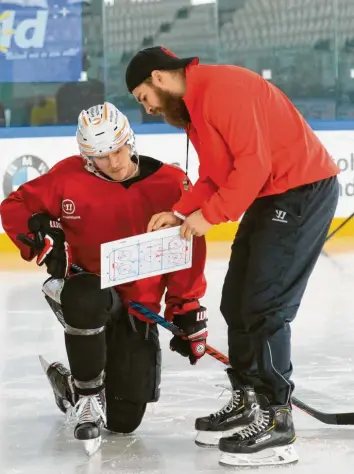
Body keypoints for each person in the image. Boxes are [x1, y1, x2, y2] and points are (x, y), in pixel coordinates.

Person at [124, 46, 340, 467]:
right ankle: (249, 400)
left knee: (265, 307)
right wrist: (182, 210)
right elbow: (216, 175)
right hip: (273, 194)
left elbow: (253, 167)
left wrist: (212, 215)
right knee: (236, 302)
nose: (147, 108)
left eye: (142, 97)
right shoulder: (194, 108)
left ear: (159, 77)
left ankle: (278, 420)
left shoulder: (221, 89)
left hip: (301, 191)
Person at [0, 102, 207, 455]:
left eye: (119, 148)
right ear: (86, 157)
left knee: (123, 422)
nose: (114, 162)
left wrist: (186, 307)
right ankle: (86, 394)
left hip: (138, 309)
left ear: (131, 139)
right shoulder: (67, 177)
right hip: (88, 294)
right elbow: (14, 207)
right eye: (100, 156)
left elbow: (188, 250)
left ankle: (67, 384)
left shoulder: (171, 184)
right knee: (86, 296)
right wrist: (43, 239)